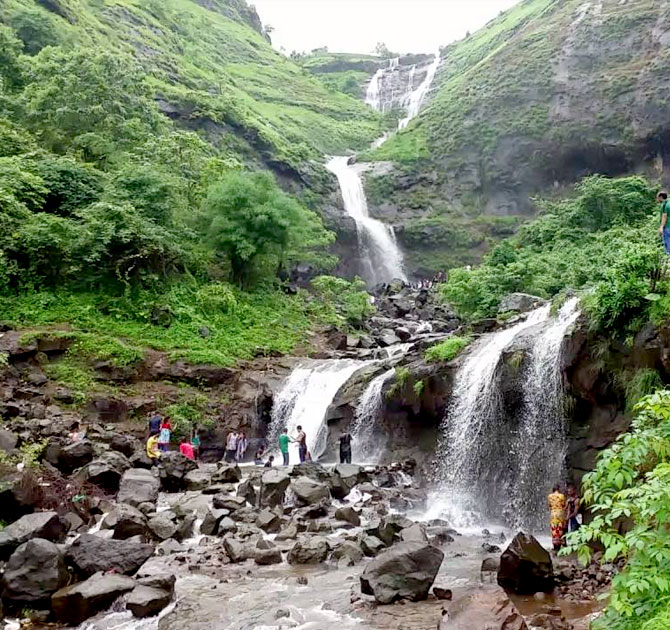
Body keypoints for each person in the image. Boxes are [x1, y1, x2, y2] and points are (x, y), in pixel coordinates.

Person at [547, 484, 567, 551]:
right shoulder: (562, 496)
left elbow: (549, 506)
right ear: (559, 489)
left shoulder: (549, 496)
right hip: (560, 513)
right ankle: (561, 544)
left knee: (554, 528)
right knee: (560, 528)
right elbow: (563, 505)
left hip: (553, 514)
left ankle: (555, 546)